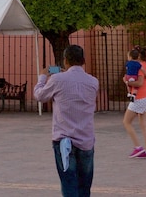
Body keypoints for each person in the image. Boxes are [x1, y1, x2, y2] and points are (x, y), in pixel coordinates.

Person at [34, 44, 99, 197]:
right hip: (86, 140)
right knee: (84, 185)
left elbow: (40, 96)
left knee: (69, 184)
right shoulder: (93, 82)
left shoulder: (57, 79)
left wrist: (43, 77)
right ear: (83, 60)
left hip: (64, 140)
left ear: (65, 61)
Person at [123, 46, 146, 159]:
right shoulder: (145, 65)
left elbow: (139, 83)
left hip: (140, 98)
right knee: (144, 125)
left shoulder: (137, 67)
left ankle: (138, 147)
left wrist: (127, 82)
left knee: (126, 122)